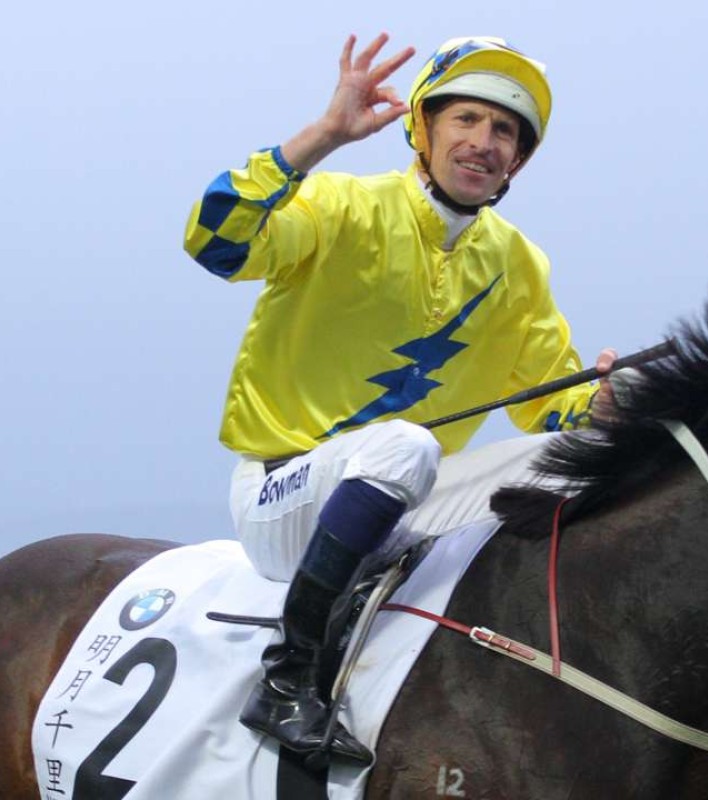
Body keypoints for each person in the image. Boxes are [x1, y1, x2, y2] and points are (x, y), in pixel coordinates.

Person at [183, 33, 616, 764]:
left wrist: (606, 404)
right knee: (407, 443)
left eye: (505, 131)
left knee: (565, 463)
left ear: (519, 159)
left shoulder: (517, 264)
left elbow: (550, 410)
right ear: (423, 128)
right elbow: (215, 243)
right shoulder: (339, 206)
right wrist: (321, 137)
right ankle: (289, 679)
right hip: (283, 495)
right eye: (467, 120)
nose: (485, 143)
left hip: (410, 504)